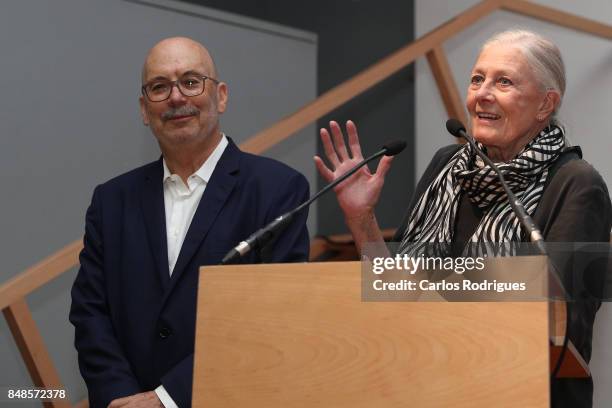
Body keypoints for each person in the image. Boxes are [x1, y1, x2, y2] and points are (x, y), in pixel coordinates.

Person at [315, 30, 611, 407]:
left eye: (504, 81)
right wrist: (362, 219)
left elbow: (567, 327)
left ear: (544, 104)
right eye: (477, 79)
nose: (482, 94)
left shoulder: (577, 184)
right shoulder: (447, 167)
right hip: (426, 385)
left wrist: (435, 284)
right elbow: (389, 289)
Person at [70, 37, 310, 408]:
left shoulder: (277, 190)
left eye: (191, 81)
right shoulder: (111, 200)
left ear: (222, 96)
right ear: (144, 109)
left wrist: (167, 399)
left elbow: (272, 317)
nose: (176, 97)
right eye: (159, 87)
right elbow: (90, 313)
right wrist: (121, 397)